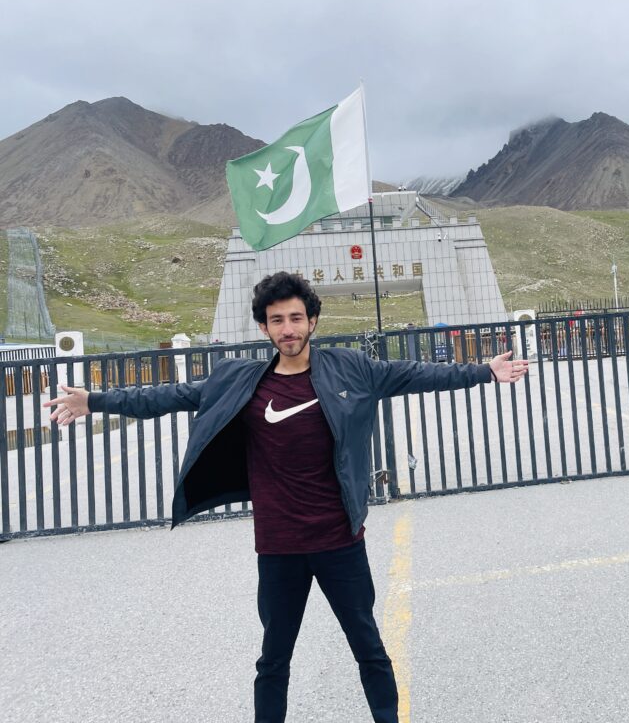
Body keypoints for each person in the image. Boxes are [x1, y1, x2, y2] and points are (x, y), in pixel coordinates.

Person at [44, 271, 529, 723]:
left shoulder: (351, 369)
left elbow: (414, 375)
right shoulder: (240, 381)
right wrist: (95, 401)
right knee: (274, 659)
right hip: (278, 548)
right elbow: (167, 397)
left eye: (296, 317)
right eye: (276, 320)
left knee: (369, 647)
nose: (287, 328)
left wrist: (483, 371)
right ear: (264, 327)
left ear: (312, 321)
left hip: (340, 540)